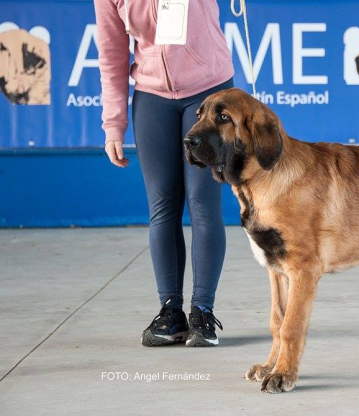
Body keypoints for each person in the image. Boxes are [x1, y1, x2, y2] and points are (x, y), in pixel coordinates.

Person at [93, 0, 234, 347]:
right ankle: (171, 311)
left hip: (209, 90)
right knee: (163, 206)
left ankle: (203, 311)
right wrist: (114, 124)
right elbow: (111, 54)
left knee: (203, 203)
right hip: (152, 98)